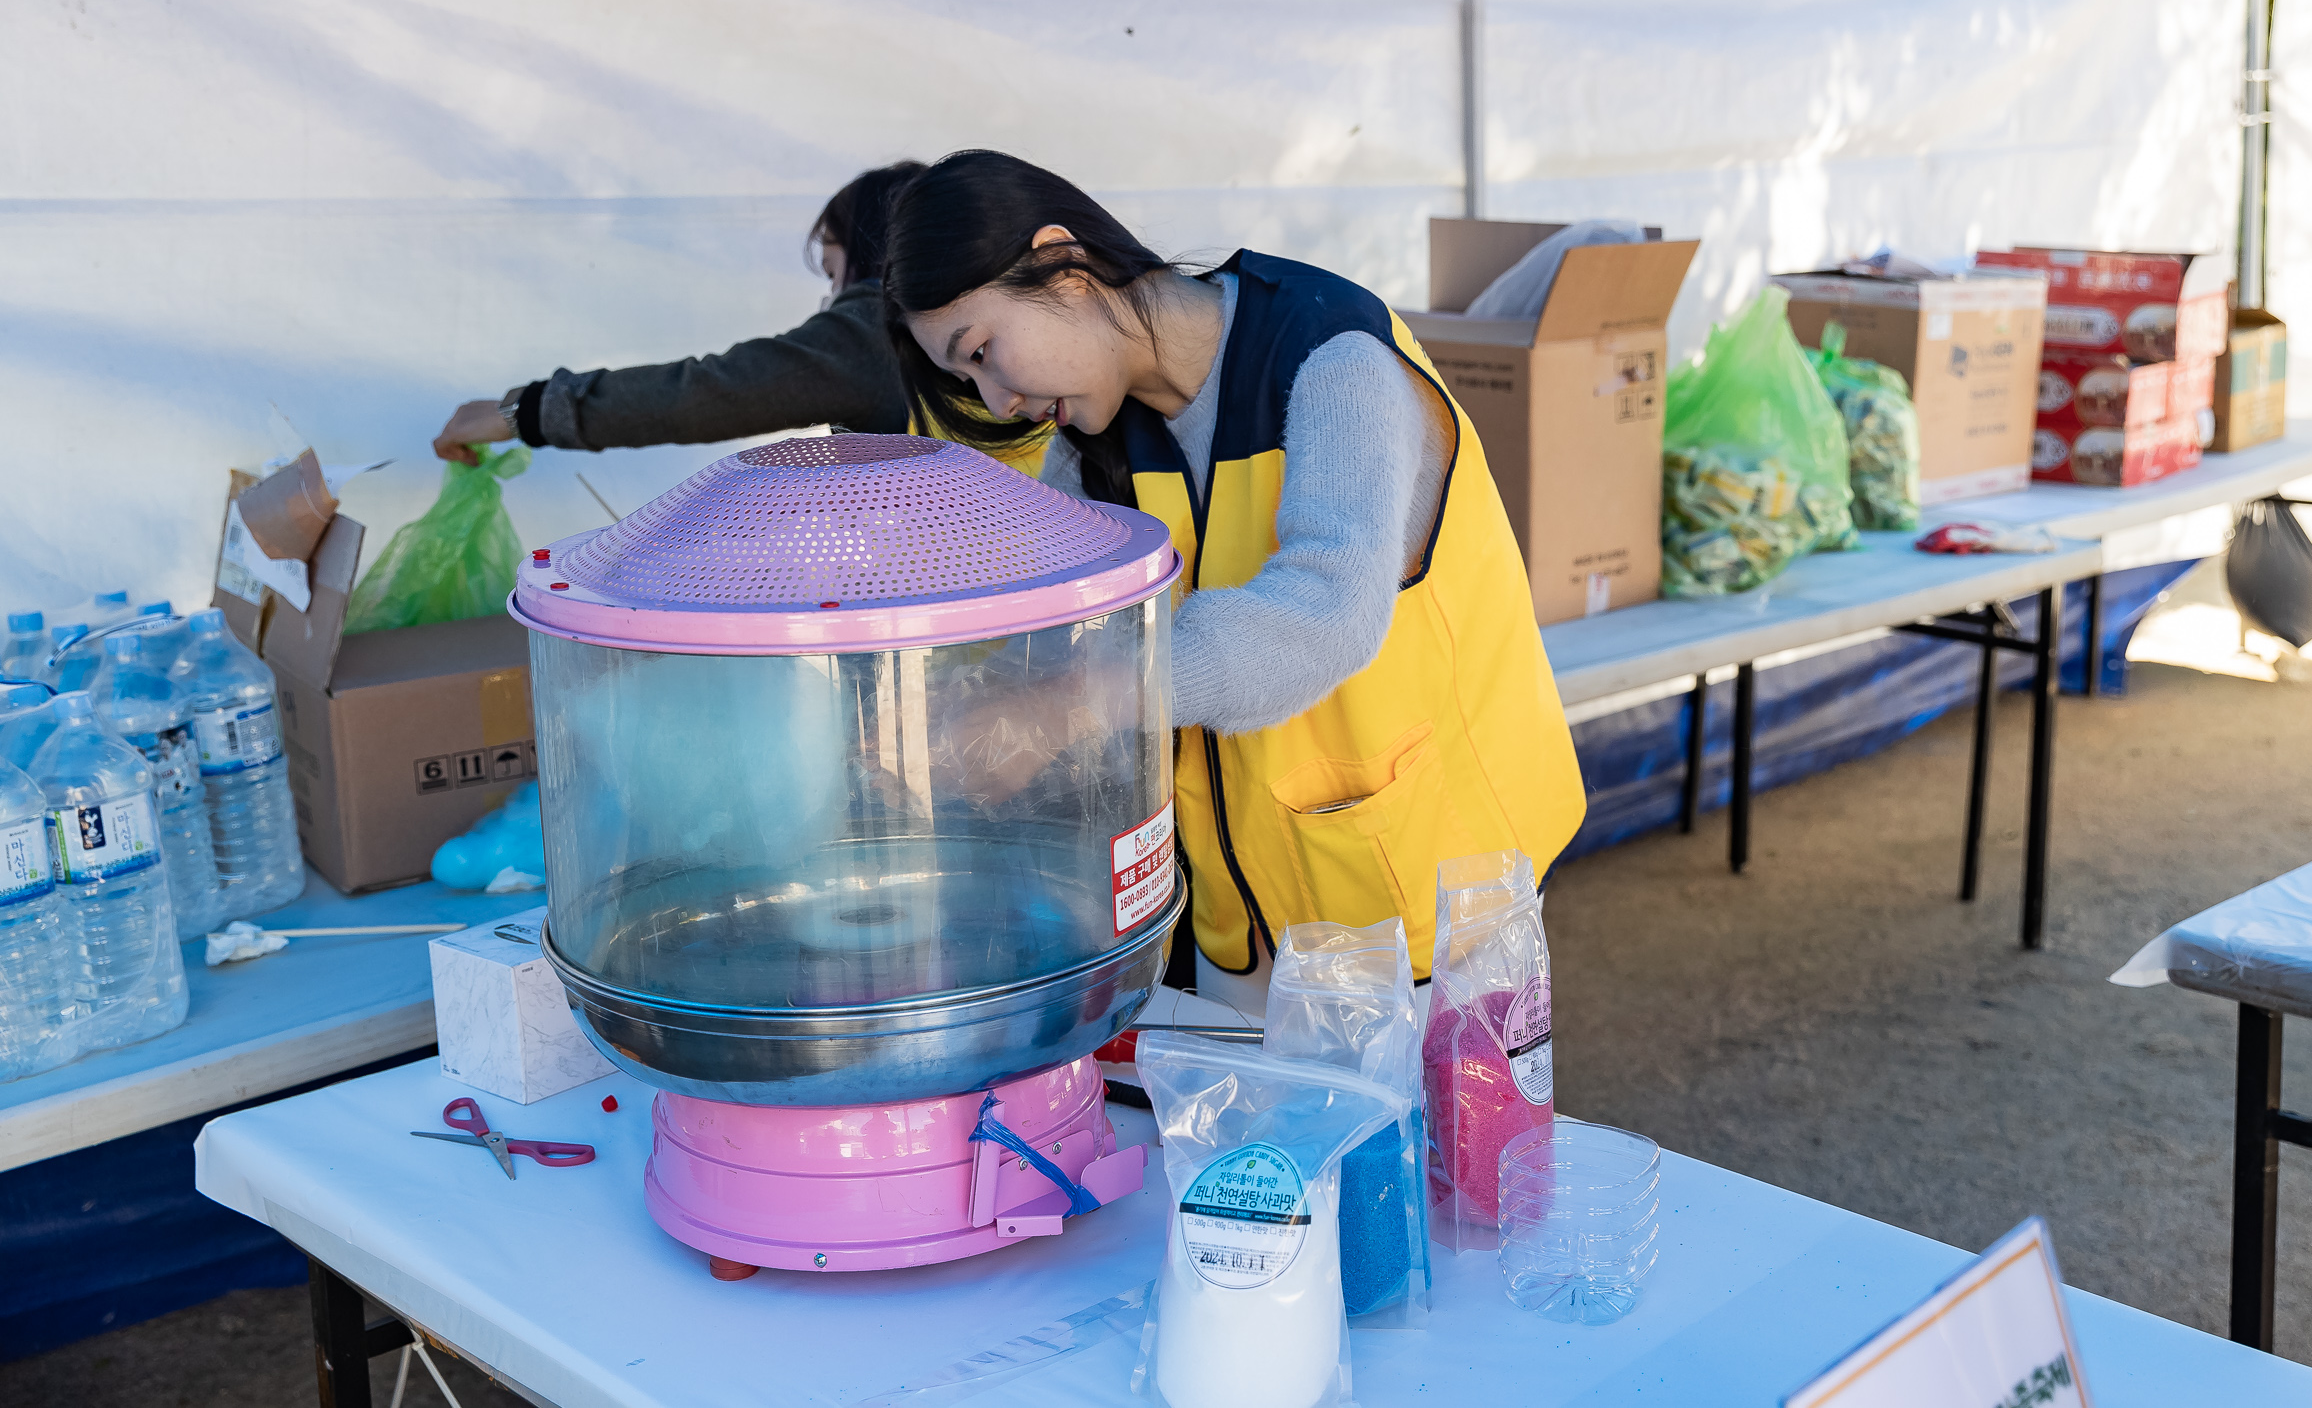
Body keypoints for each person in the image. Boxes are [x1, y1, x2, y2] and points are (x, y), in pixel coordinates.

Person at [881, 151, 1584, 1008]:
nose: (995, 401)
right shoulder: (1091, 450)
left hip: (1439, 920)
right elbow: (1046, 637)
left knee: (1438, 1147)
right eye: (967, 379)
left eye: (985, 351)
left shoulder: (1332, 357)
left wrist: (1070, 704)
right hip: (1247, 927)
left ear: (1064, 267)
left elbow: (1326, 615)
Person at [431, 163, 924, 463]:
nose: (832, 294)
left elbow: (711, 392)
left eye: (830, 269)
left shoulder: (874, 326)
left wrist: (527, 411)